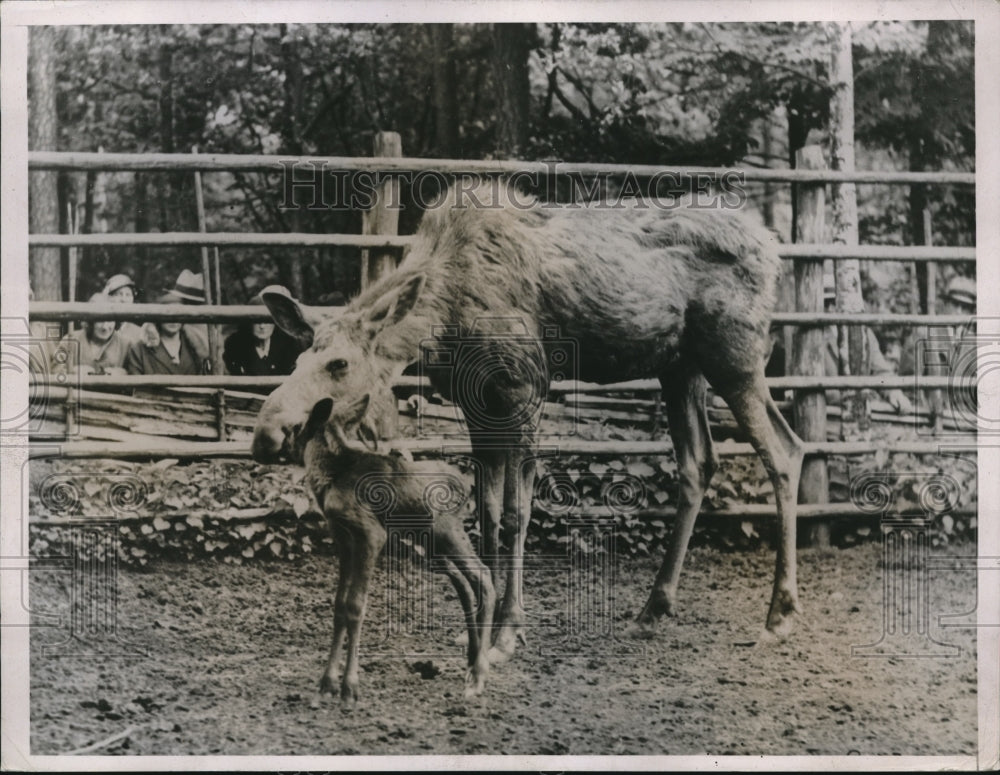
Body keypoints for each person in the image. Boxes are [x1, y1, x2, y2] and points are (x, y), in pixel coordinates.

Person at [822, 279, 912, 414]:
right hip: (828, 416)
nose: (830, 309)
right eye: (825, 304)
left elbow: (881, 372)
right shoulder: (815, 337)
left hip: (861, 415)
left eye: (834, 302)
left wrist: (894, 393)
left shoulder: (864, 334)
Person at [124, 292, 211, 375]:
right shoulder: (139, 350)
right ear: (158, 316)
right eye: (167, 314)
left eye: (178, 314)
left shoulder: (196, 348)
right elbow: (138, 387)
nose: (173, 320)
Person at [51, 292, 129, 376]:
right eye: (100, 320)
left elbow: (136, 376)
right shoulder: (69, 341)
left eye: (110, 320)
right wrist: (72, 372)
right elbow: (55, 372)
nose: (105, 327)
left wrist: (123, 374)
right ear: (90, 321)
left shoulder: (126, 345)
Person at [224, 294, 302, 376]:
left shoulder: (288, 344)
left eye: (267, 321)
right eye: (257, 321)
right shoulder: (235, 345)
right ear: (249, 322)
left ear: (275, 322)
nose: (262, 326)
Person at [103, 273, 144, 348]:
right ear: (108, 298)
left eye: (128, 295)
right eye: (119, 294)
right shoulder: (101, 329)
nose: (123, 300)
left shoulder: (140, 333)